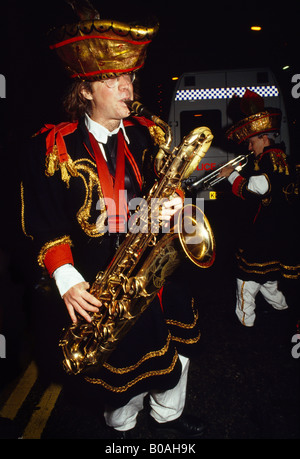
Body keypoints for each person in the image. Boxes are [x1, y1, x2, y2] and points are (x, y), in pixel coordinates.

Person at [21, 5, 205, 439]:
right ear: (85, 90)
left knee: (177, 362)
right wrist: (65, 277)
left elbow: (170, 184)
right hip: (104, 286)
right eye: (112, 79)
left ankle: (168, 423)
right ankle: (122, 431)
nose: (127, 87)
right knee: (121, 385)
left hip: (159, 277)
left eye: (130, 77)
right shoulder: (53, 147)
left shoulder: (149, 132)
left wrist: (173, 206)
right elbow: (41, 221)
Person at [218, 89, 299, 327]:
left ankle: (245, 320)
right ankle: (281, 307)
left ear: (264, 139)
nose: (250, 148)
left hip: (263, 233)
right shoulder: (281, 157)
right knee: (268, 276)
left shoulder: (270, 158)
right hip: (277, 232)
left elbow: (257, 188)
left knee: (246, 278)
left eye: (252, 142)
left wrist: (231, 175)